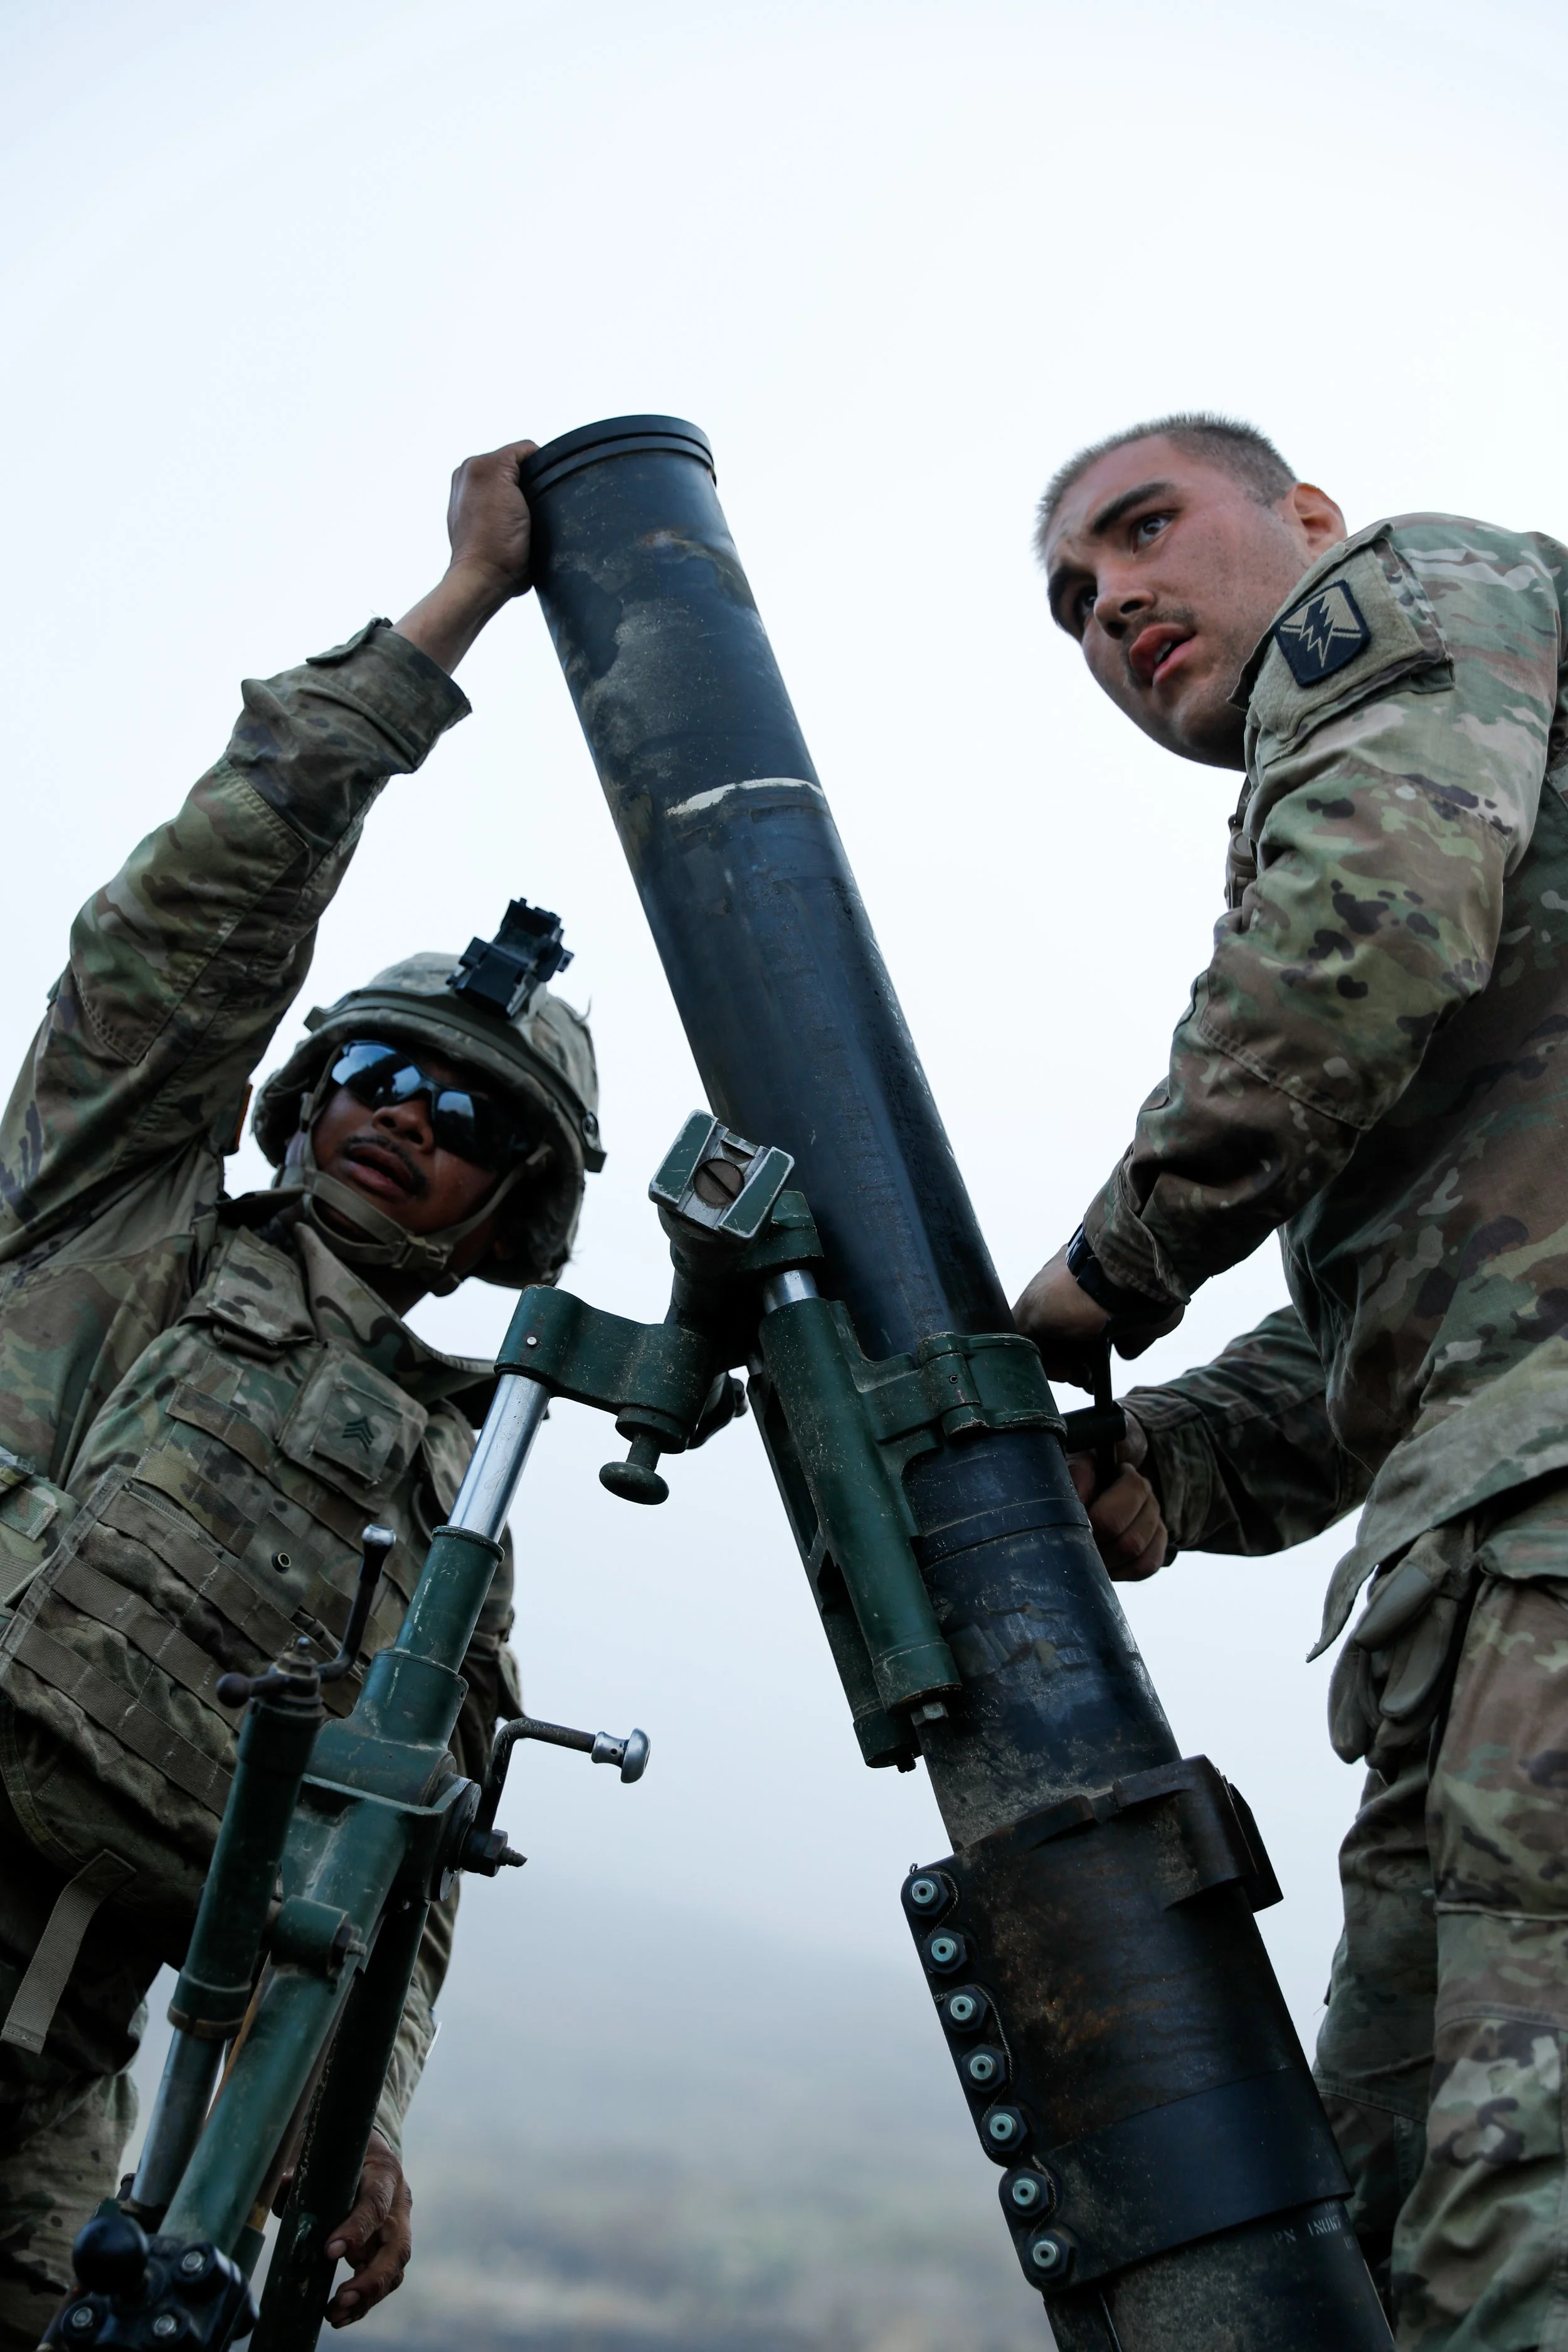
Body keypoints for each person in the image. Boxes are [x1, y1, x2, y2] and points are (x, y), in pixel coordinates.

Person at [0, 440, 602, 2345]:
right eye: (373, 1070)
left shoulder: (450, 1488)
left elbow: (401, 1851)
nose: (399, 1118)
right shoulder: (122, 1214)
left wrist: (356, 2122)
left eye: (466, 1117)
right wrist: (455, 610)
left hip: (59, 2064)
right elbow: (188, 925)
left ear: (514, 1203)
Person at [1015, 411, 1568, 2351]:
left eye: (1143, 532)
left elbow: (1367, 925)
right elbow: (1387, 1341)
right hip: (1483, 1562)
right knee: (1400, 2236)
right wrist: (1154, 1459)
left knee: (1524, 2223)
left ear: (1304, 516)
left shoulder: (1413, 597)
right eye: (1076, 603)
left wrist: (1105, 1273)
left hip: (1540, 1551)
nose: (1115, 605)